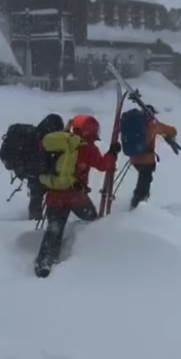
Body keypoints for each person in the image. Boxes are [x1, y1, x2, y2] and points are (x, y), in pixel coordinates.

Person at [33, 114, 120, 275]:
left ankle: (45, 262)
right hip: (75, 196)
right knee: (92, 220)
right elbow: (103, 165)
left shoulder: (59, 143)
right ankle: (85, 252)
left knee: (54, 229)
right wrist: (113, 153)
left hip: (54, 193)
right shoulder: (88, 148)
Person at [129, 110, 178, 210]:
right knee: (144, 183)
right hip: (146, 160)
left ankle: (138, 203)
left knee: (143, 180)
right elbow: (173, 131)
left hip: (134, 158)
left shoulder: (135, 125)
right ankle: (138, 206)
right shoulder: (152, 125)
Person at [26, 113, 66, 222]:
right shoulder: (44, 139)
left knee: (36, 195)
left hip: (35, 171)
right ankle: (39, 219)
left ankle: (35, 218)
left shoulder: (38, 135)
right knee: (39, 194)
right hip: (39, 171)